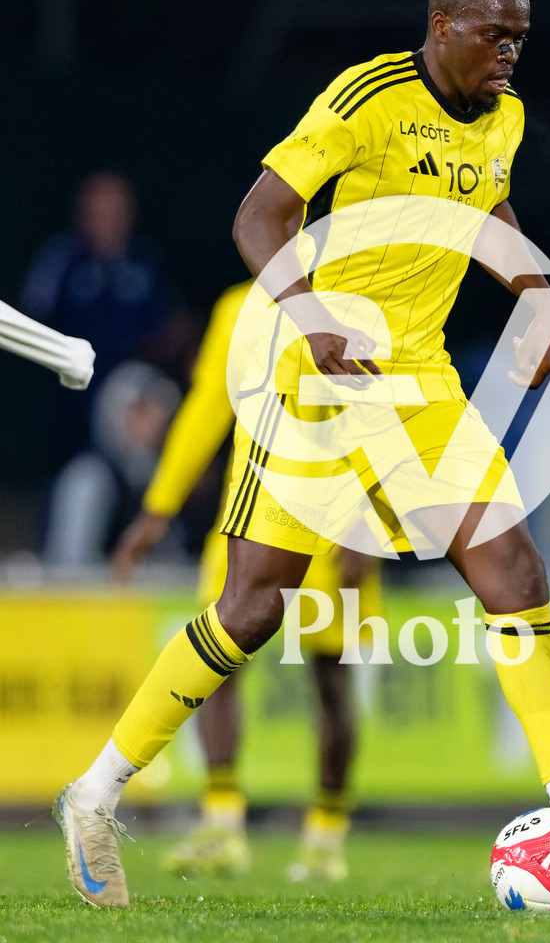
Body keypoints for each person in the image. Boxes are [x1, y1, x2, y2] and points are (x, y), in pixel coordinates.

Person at [54, 0, 550, 909]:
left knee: (512, 570)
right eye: (495, 35)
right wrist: (312, 323)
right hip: (312, 376)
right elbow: (257, 218)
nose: (511, 55)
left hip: (419, 380)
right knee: (253, 609)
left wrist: (537, 293)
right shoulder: (366, 98)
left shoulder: (503, 118)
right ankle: (94, 795)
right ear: (443, 27)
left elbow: (484, 206)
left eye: (520, 38)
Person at [111, 279, 383, 881]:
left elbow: (383, 414)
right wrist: (158, 508)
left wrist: (371, 518)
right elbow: (209, 405)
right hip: (250, 516)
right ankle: (222, 823)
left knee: (331, 684)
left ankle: (325, 833)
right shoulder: (236, 308)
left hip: (337, 518)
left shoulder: (365, 298)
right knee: (217, 667)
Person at [19, 170, 193, 465]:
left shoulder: (146, 262)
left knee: (156, 407)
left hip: (139, 392)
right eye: (98, 213)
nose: (107, 222)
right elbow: (27, 327)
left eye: (117, 212)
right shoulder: (61, 261)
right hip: (76, 398)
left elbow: (174, 326)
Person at [41, 360, 182, 566]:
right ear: (114, 413)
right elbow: (70, 574)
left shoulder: (160, 481)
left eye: (159, 416)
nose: (154, 427)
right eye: (141, 413)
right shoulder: (89, 480)